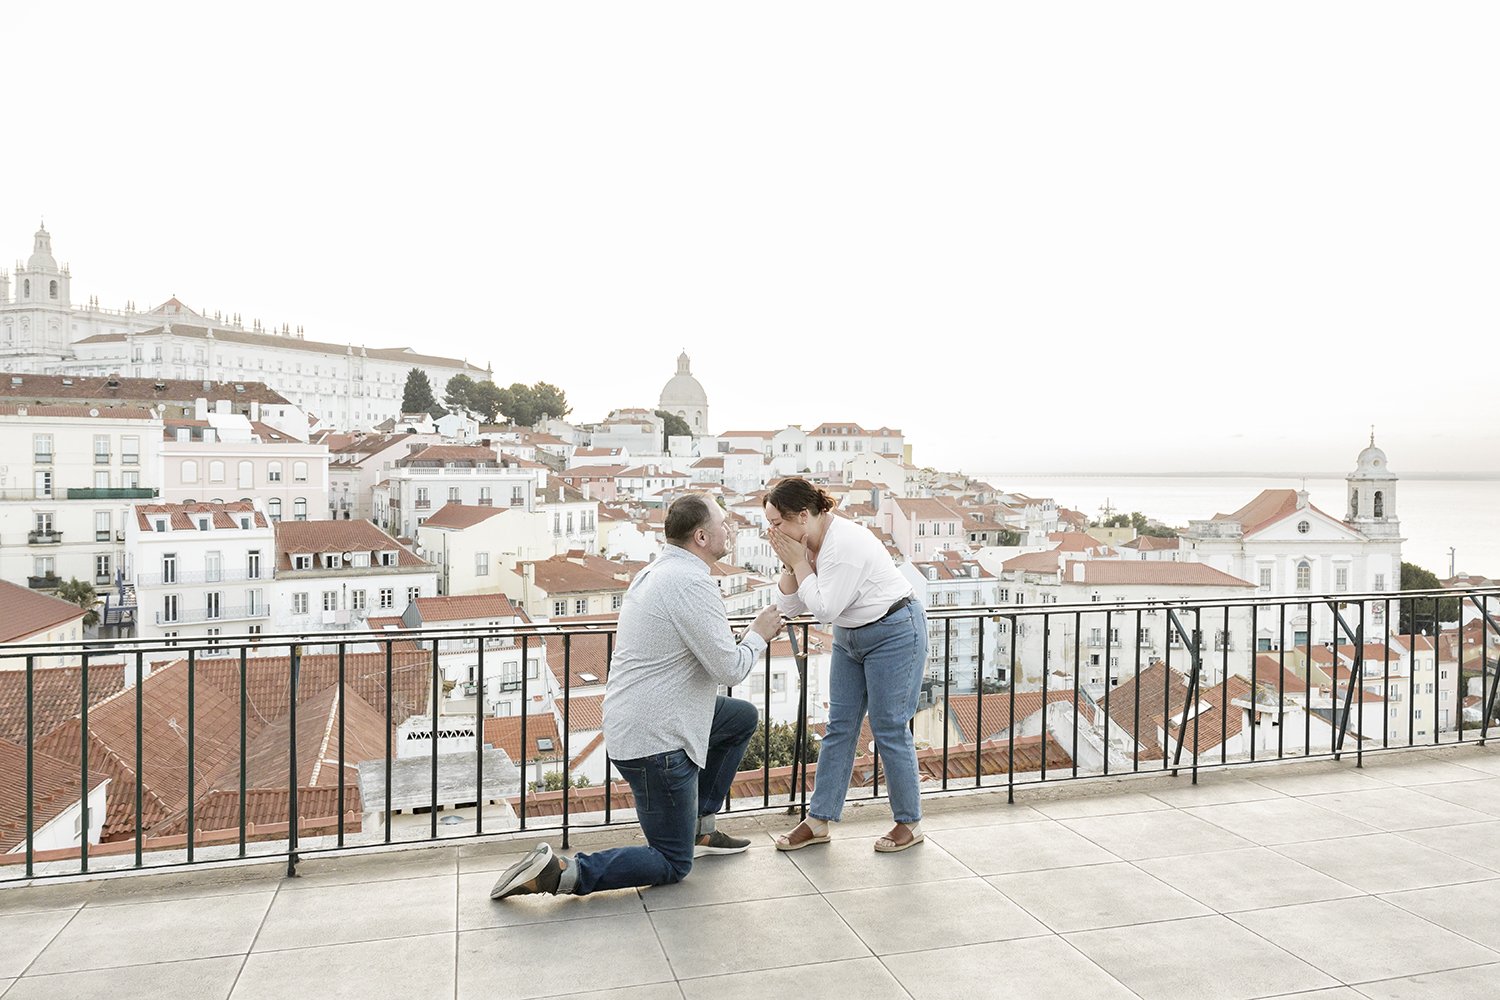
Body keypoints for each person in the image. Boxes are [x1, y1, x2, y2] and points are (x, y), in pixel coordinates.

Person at [491, 493, 783, 899]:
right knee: (671, 862)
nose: (729, 527)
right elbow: (729, 669)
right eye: (722, 521)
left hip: (645, 718)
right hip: (657, 741)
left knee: (740, 718)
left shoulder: (659, 572)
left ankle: (699, 823)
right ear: (701, 536)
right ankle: (560, 872)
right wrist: (758, 636)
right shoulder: (689, 584)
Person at [766, 477, 927, 853]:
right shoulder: (806, 545)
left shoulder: (845, 545)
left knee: (889, 727)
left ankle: (909, 822)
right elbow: (791, 606)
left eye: (777, 524)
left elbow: (823, 610)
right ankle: (818, 820)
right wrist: (791, 566)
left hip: (894, 630)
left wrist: (797, 563)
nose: (772, 532)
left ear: (803, 516)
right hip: (851, 636)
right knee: (839, 727)